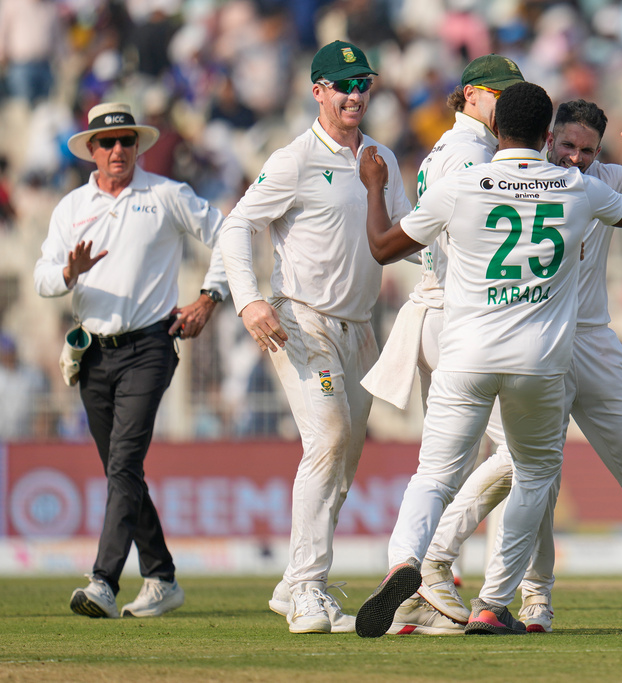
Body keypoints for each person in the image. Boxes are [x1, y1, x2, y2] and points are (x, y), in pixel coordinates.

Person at [352, 81, 622, 638]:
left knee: (433, 475)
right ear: (546, 136)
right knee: (535, 474)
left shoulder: (463, 183)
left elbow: (384, 247)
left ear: (497, 131)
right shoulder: (576, 186)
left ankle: (406, 561)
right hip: (539, 361)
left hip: (466, 356)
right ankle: (494, 601)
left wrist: (374, 186)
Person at [217, 40, 411, 635]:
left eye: (363, 84)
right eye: (343, 85)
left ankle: (294, 582)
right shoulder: (295, 158)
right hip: (301, 319)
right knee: (327, 438)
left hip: (360, 327)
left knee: (346, 456)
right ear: (318, 91)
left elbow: (407, 233)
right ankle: (306, 586)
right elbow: (237, 225)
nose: (356, 94)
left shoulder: (380, 158)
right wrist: (250, 301)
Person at [34, 102, 229, 619]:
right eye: (106, 143)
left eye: (125, 140)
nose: (117, 150)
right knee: (121, 471)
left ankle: (103, 581)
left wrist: (211, 295)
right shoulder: (71, 206)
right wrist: (69, 274)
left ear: (137, 145)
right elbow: (42, 277)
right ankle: (161, 576)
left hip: (149, 344)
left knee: (122, 464)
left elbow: (228, 234)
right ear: (91, 151)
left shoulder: (165, 195)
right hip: (92, 352)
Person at [358, 53, 524, 635]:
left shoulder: (446, 149)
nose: (508, 102)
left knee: (448, 465)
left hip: (437, 311)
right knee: (524, 457)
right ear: (472, 94)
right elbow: (462, 234)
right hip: (463, 317)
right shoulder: (474, 153)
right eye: (500, 93)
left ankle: (411, 595)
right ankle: (434, 564)